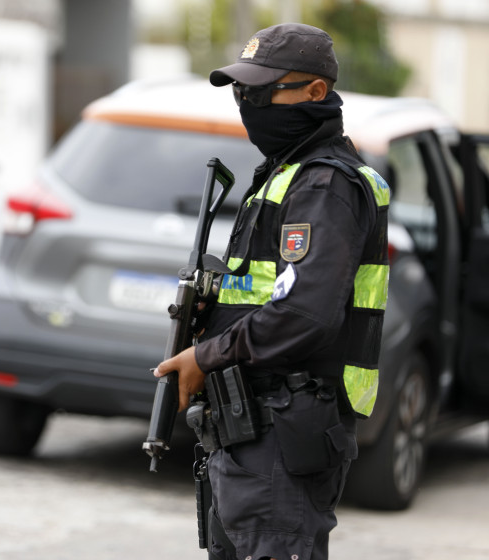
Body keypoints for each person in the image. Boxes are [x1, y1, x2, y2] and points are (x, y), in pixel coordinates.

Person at [154, 23, 390, 560]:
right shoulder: (285, 174)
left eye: (260, 93)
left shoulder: (326, 185)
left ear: (315, 91)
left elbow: (305, 313)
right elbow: (268, 291)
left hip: (284, 429)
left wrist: (206, 355)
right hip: (251, 428)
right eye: (241, 92)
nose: (248, 105)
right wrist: (212, 314)